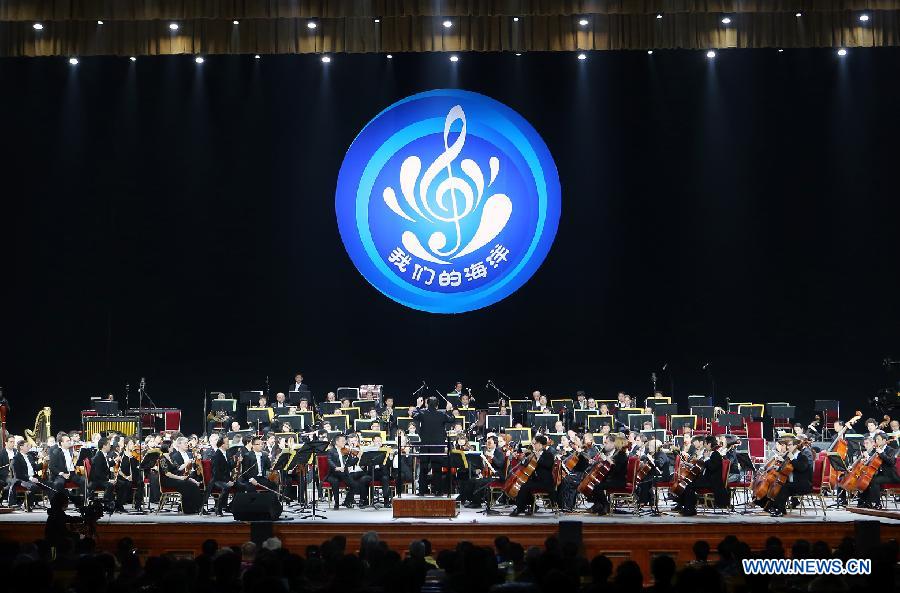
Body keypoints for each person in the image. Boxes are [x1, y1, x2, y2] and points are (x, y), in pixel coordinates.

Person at [674, 435, 728, 516]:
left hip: (712, 482)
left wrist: (706, 458)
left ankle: (690, 509)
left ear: (709, 444)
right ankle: (683, 505)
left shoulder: (716, 455)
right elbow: (702, 466)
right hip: (706, 479)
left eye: (705, 443)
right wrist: (690, 465)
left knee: (689, 486)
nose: (704, 445)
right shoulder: (711, 454)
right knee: (687, 482)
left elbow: (711, 467)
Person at [411, 397, 455, 495]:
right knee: (437, 469)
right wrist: (449, 410)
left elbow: (413, 415)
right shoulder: (442, 414)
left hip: (425, 445)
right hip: (438, 445)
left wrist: (418, 406)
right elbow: (452, 419)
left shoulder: (423, 413)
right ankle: (438, 491)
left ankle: (422, 491)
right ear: (437, 405)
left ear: (427, 404)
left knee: (423, 468)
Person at [510, 434, 555, 516]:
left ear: (540, 445)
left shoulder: (548, 454)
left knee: (525, 487)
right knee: (523, 486)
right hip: (536, 481)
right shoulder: (533, 454)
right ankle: (529, 505)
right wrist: (522, 459)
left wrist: (538, 458)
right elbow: (526, 465)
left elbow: (548, 465)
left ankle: (520, 508)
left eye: (535, 444)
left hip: (545, 482)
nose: (533, 445)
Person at [457, 435, 504, 508]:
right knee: (471, 480)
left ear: (495, 444)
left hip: (496, 476)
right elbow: (483, 465)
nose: (487, 444)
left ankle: (477, 503)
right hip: (486, 475)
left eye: (489, 443)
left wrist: (492, 457)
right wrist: (479, 470)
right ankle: (470, 500)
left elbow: (500, 464)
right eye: (487, 443)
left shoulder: (499, 452)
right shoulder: (485, 452)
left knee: (479, 482)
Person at [769, 437, 812, 517]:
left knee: (784, 488)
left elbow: (801, 468)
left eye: (790, 445)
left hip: (803, 484)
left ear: (796, 446)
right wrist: (778, 468)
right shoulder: (789, 457)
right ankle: (775, 507)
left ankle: (780, 510)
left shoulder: (803, 457)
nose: (788, 447)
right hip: (793, 483)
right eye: (788, 445)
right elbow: (785, 470)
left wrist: (792, 458)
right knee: (779, 485)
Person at [587, 434, 629, 515]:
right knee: (595, 484)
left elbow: (617, 470)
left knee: (597, 486)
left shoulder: (622, 455)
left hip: (619, 481)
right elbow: (611, 470)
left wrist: (610, 462)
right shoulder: (618, 454)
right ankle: (599, 505)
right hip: (614, 479)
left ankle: (605, 504)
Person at [325, 434, 371, 508]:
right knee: (335, 481)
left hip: (343, 474)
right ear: (337, 442)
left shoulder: (346, 451)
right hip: (333, 473)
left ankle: (347, 501)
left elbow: (350, 463)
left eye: (345, 440)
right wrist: (336, 468)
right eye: (343, 441)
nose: (345, 442)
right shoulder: (331, 451)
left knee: (355, 485)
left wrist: (358, 457)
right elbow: (329, 461)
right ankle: (336, 503)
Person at [158, 442, 204, 514]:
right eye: (172, 446)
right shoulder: (162, 458)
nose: (173, 447)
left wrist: (187, 463)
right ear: (168, 447)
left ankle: (196, 508)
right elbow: (167, 473)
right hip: (168, 481)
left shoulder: (171, 457)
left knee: (193, 485)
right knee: (189, 484)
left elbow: (179, 468)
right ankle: (189, 509)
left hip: (175, 479)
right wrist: (180, 478)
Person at [209, 436, 249, 516]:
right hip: (217, 480)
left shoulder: (226, 453)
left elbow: (229, 467)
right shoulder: (216, 455)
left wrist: (237, 461)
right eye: (227, 442)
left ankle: (231, 506)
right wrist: (227, 481)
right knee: (226, 487)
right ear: (222, 445)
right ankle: (218, 508)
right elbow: (216, 473)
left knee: (242, 486)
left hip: (226, 478)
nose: (229, 444)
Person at [858, 432, 899, 509]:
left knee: (874, 480)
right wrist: (867, 458)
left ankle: (877, 504)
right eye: (876, 439)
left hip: (890, 475)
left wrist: (882, 453)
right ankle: (867, 502)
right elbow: (872, 463)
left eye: (878, 439)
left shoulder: (891, 450)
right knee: (867, 479)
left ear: (884, 440)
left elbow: (891, 462)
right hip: (880, 474)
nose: (876, 441)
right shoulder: (875, 450)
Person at [9, 440, 50, 508]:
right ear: (21, 447)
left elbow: (36, 468)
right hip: (22, 480)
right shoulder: (16, 458)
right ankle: (26, 504)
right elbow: (19, 475)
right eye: (27, 446)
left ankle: (55, 505)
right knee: (33, 486)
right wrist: (31, 478)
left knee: (49, 483)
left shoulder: (29, 456)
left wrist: (44, 462)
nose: (29, 447)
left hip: (33, 477)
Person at [48, 432, 85, 502]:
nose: (70, 442)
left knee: (84, 481)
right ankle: (66, 499)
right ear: (61, 443)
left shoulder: (72, 450)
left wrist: (76, 456)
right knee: (58, 484)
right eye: (67, 441)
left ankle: (80, 501)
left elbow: (76, 463)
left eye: (69, 440)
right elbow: (51, 467)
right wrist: (62, 474)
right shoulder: (56, 452)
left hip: (72, 473)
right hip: (62, 474)